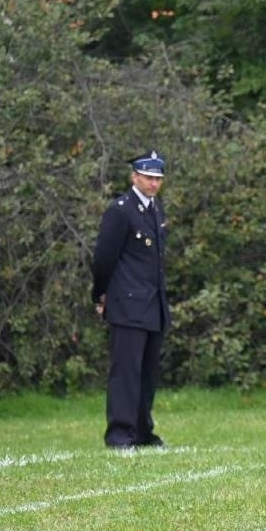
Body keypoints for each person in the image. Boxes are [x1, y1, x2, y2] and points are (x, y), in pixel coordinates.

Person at [92, 151, 171, 448]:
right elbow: (104, 258)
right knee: (126, 373)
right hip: (127, 303)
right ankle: (120, 434)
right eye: (148, 177)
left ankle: (142, 432)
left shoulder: (156, 209)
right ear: (134, 177)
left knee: (147, 374)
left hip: (153, 304)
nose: (154, 184)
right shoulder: (121, 210)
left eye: (158, 179)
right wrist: (100, 294)